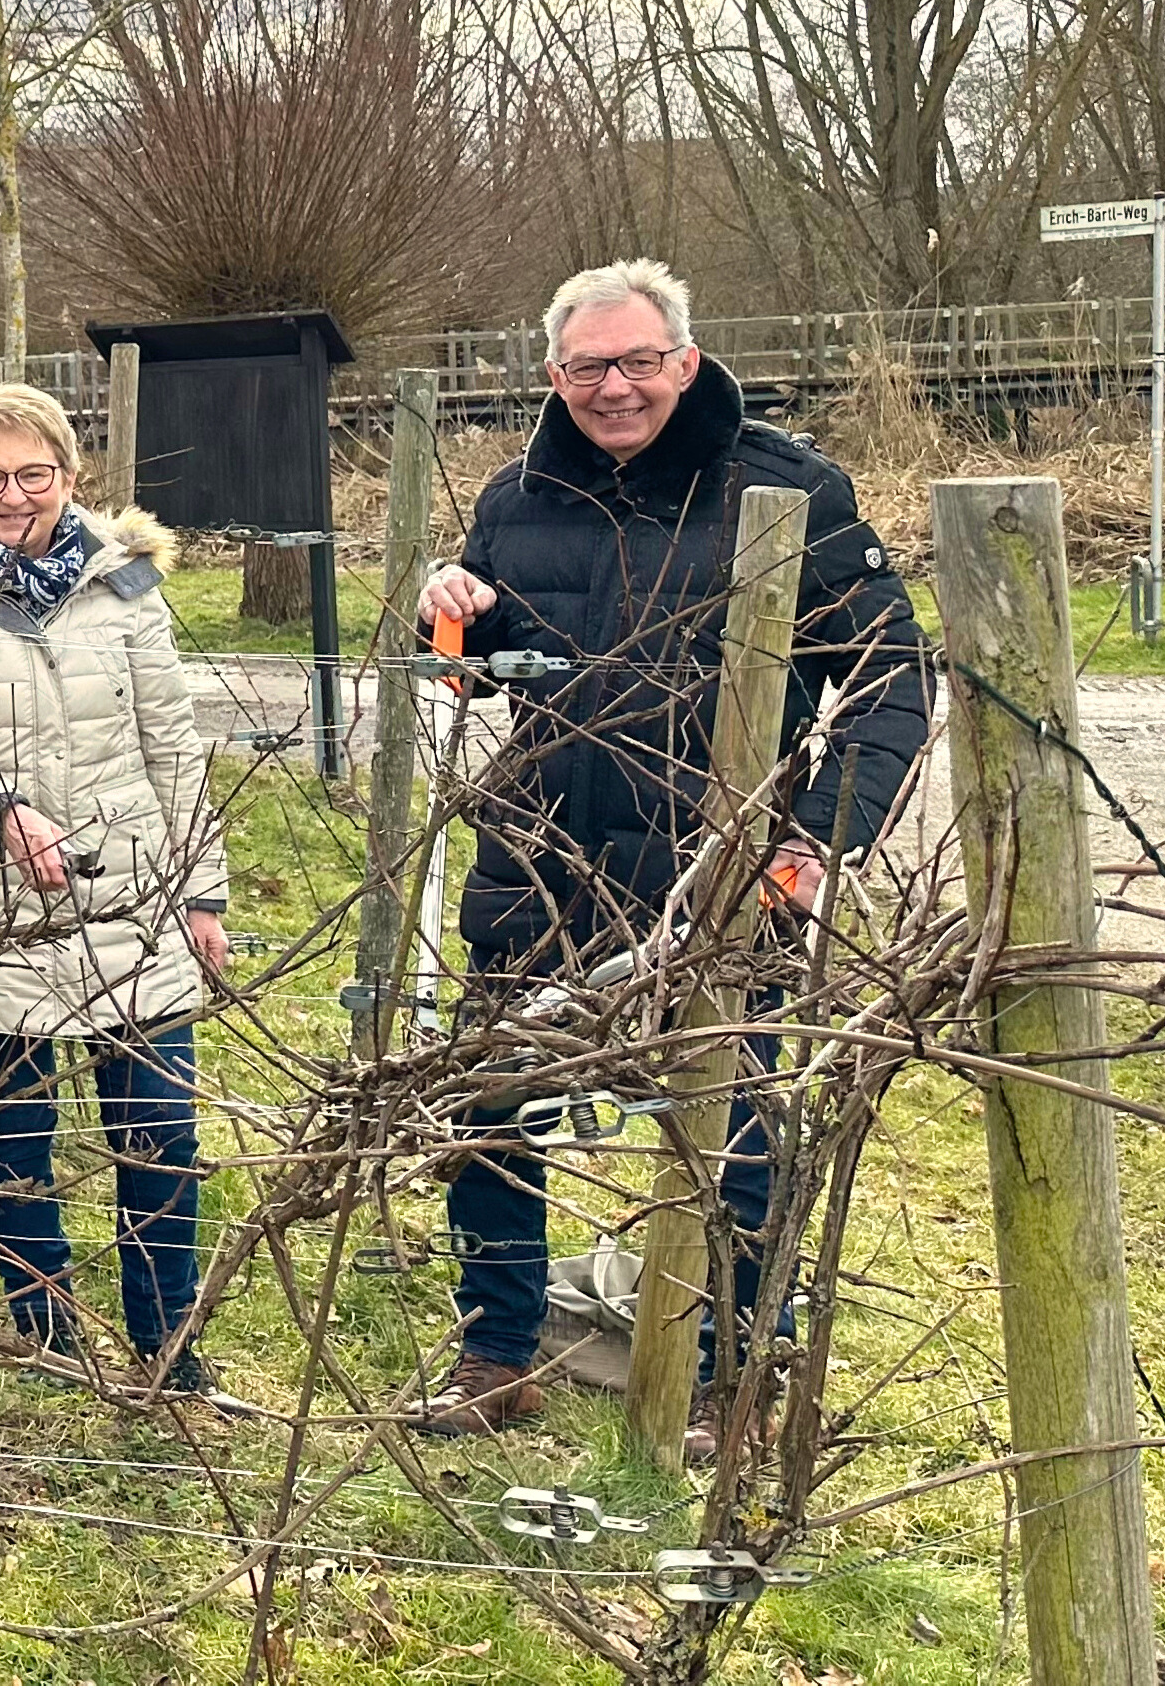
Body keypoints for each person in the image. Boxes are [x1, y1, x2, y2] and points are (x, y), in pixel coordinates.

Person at [406, 258, 928, 1455]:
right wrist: (452, 609)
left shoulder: (788, 491)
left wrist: (817, 841)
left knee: (727, 1136)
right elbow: (476, 662)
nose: (616, 387)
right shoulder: (518, 493)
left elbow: (898, 677)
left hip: (718, 882)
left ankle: (725, 1378)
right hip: (535, 866)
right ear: (554, 374)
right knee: (494, 1110)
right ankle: (497, 1354)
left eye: (640, 361)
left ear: (686, 362)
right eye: (589, 366)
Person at [0, 384, 231, 1395]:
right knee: (16, 1143)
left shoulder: (127, 590)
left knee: (160, 1139)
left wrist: (203, 893)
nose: (13, 495)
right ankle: (48, 1340)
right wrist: (0, 815)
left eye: (35, 474)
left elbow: (174, 745)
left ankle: (170, 1348)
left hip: (134, 904)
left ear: (73, 479)